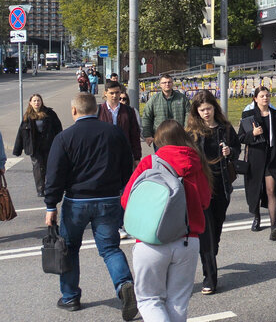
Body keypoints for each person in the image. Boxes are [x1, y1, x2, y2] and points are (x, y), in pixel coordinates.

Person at [43, 93, 136, 317]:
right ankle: (124, 285)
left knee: (70, 249)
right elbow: (127, 166)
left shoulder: (65, 138)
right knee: (110, 248)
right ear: (97, 109)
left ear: (74, 111)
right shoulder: (114, 133)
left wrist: (50, 205)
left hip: (76, 202)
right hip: (108, 200)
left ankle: (70, 297)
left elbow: (54, 174)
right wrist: (122, 191)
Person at [123, 120, 211, 322]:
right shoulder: (196, 163)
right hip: (187, 240)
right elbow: (205, 202)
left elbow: (126, 199)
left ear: (160, 140)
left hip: (151, 240)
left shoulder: (150, 163)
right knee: (178, 301)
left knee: (149, 300)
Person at [186, 91, 240, 295]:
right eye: (202, 110)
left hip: (222, 183)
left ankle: (210, 256)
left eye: (208, 108)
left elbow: (236, 146)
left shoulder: (225, 128)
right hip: (201, 186)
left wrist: (230, 152)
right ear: (196, 111)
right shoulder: (192, 131)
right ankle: (210, 278)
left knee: (216, 229)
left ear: (214, 108)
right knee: (206, 233)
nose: (206, 113)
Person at [238, 86, 276, 237]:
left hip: (272, 158)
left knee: (272, 190)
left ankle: (273, 226)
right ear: (255, 99)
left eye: (267, 95)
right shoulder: (248, 115)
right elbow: (241, 138)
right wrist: (253, 133)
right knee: (256, 190)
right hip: (255, 158)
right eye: (262, 96)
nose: (265, 98)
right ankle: (256, 217)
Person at [13, 93, 63, 196]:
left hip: (49, 145)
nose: (37, 102)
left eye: (38, 100)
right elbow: (21, 133)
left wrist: (61, 144)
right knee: (38, 168)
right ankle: (40, 189)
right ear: (30, 103)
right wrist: (17, 150)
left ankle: (50, 187)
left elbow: (58, 128)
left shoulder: (50, 113)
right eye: (34, 101)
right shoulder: (27, 117)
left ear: (41, 102)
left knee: (50, 167)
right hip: (34, 147)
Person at [98, 82, 142, 166]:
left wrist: (137, 158)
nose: (115, 96)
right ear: (105, 93)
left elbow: (134, 135)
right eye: (112, 93)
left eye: (117, 92)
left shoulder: (129, 111)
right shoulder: (98, 111)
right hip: (104, 156)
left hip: (124, 155)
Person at [141, 74, 189, 146]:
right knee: (161, 157)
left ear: (172, 83)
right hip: (160, 137)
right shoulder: (154, 99)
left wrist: (187, 131)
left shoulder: (182, 98)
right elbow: (146, 117)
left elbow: (189, 114)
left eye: (169, 82)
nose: (167, 84)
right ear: (160, 84)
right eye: (164, 82)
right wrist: (147, 135)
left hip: (179, 136)